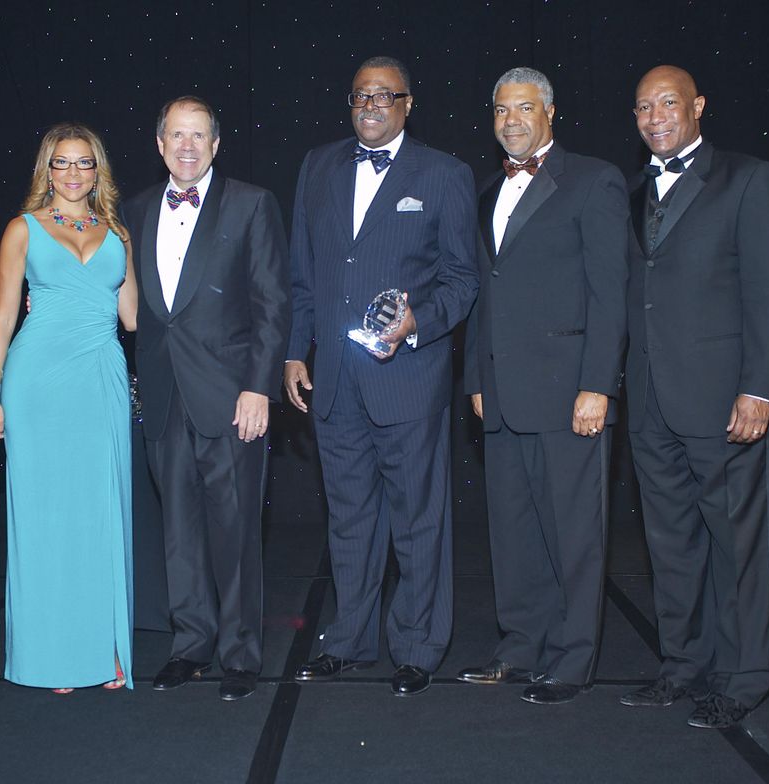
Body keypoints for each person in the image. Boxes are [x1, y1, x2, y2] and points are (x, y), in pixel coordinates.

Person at [284, 56, 478, 697]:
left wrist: (417, 323)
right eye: (360, 95)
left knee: (418, 520)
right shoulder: (318, 166)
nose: (370, 105)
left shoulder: (444, 173)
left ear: (407, 104)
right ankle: (349, 640)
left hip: (408, 377)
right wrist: (294, 351)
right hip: (334, 380)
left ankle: (418, 647)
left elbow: (462, 279)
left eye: (383, 95)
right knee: (349, 519)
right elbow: (304, 274)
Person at [620, 65, 769, 728]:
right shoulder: (633, 190)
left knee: (738, 546)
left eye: (667, 103)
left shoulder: (750, 179)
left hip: (726, 401)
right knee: (669, 543)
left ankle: (743, 678)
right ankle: (682, 667)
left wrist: (759, 389)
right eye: (643, 108)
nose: (655, 117)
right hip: (651, 401)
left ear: (697, 105)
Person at [459, 67, 629, 705]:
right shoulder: (486, 190)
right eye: (502, 110)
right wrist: (476, 376)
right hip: (501, 394)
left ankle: (572, 659)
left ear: (550, 112)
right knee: (513, 531)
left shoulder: (594, 179)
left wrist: (598, 384)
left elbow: (610, 292)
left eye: (524, 108)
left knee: (574, 536)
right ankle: (520, 646)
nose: (511, 121)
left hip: (568, 394)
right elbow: (483, 294)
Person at [125, 96, 290, 702]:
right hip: (164, 395)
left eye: (199, 135)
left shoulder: (252, 203)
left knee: (236, 530)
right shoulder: (136, 209)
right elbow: (130, 303)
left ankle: (240, 655)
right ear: (159, 144)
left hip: (231, 396)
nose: (187, 146)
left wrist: (259, 387)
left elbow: (273, 303)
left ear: (216, 145)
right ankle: (190, 646)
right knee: (179, 531)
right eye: (177, 135)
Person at [0, 123, 137, 693]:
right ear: (47, 170)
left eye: (84, 162)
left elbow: (134, 318)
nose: (73, 173)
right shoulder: (22, 229)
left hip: (100, 377)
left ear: (98, 171)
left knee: (100, 511)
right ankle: (54, 654)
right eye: (62, 162)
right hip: (38, 382)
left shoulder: (117, 232)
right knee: (46, 518)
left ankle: (104, 648)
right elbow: (4, 316)